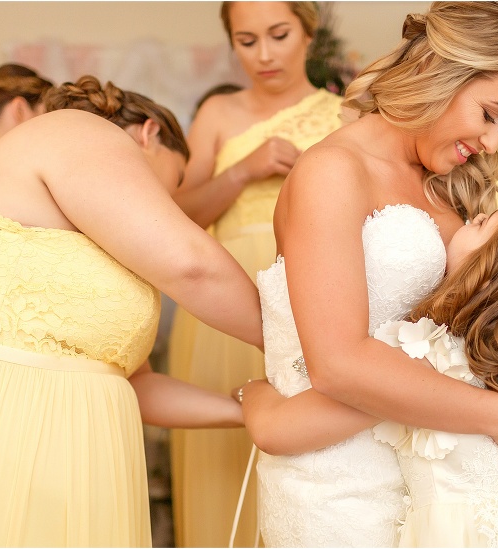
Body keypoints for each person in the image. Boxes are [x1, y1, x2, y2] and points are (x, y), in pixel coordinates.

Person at [230, 2, 498, 546]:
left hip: (436, 479)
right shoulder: (332, 173)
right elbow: (337, 364)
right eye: (490, 113)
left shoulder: (446, 183)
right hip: (344, 488)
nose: (493, 143)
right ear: (438, 72)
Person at [0, 75, 263, 547]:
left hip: (73, 466)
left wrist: (247, 410)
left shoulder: (100, 250)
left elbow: (135, 383)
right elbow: (193, 267)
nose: (171, 203)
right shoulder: (77, 129)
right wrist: (302, 344)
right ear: (148, 133)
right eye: (174, 180)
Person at [241, 199, 498, 547]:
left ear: (486, 275)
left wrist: (252, 391)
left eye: (483, 223)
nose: (470, 219)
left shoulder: (429, 357)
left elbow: (276, 430)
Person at [167, 3, 344, 546]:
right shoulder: (219, 114)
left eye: (279, 34)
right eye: (246, 41)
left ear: (309, 32)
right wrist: (244, 170)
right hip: (219, 300)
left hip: (310, 293)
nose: (264, 55)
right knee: (220, 460)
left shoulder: (346, 115)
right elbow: (176, 217)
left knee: (310, 459)